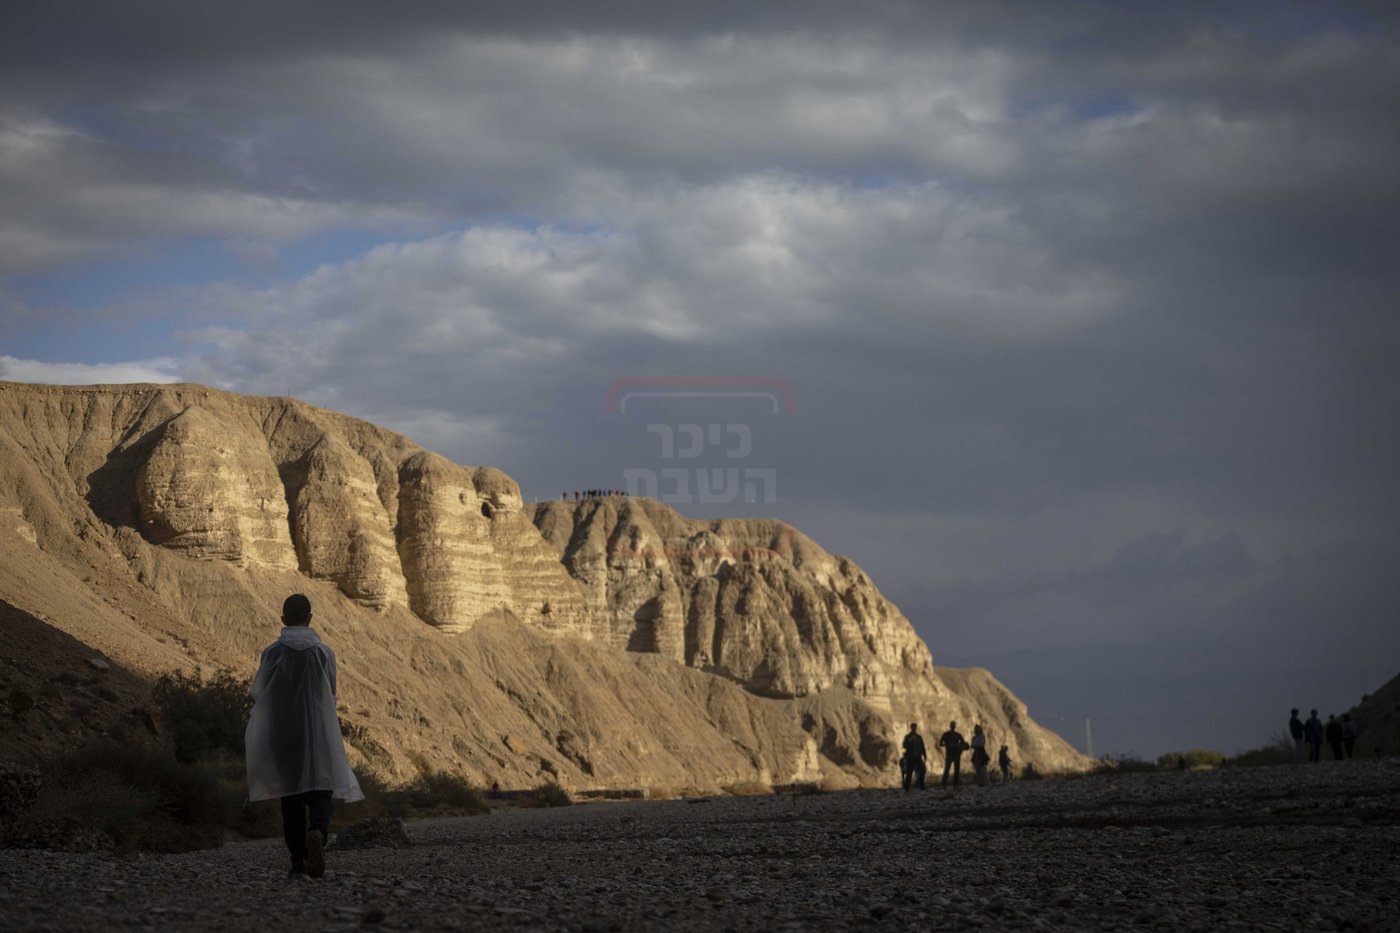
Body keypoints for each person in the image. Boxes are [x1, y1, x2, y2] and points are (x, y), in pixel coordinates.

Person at [246, 594, 364, 879]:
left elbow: (260, 692)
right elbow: (331, 693)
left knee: (291, 796)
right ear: (310, 618)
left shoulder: (272, 653)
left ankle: (298, 860)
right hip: (318, 730)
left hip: (285, 733)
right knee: (321, 789)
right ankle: (318, 833)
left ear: (283, 620)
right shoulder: (324, 653)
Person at [938, 721, 967, 787]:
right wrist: (949, 744)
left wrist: (958, 746)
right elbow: (940, 743)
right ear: (950, 726)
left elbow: (963, 744)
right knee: (947, 769)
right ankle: (944, 784)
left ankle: (954, 784)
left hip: (956, 754)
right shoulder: (946, 734)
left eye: (953, 725)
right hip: (950, 754)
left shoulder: (957, 735)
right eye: (952, 725)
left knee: (956, 770)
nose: (953, 726)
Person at [901, 723, 927, 791]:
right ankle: (907, 787)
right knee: (909, 772)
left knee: (921, 771)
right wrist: (910, 741)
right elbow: (904, 745)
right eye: (913, 727)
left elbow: (922, 746)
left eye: (915, 727)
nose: (914, 729)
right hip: (910, 757)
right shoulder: (908, 737)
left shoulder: (918, 737)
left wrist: (924, 755)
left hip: (917, 756)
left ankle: (921, 785)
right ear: (911, 728)